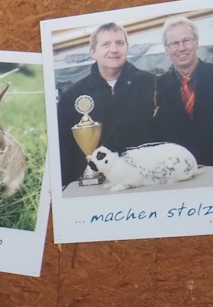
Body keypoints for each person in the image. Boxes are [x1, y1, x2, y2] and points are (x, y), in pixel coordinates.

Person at [56, 21, 158, 188]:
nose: (114, 49)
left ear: (127, 47)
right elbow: (64, 149)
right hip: (94, 186)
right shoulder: (72, 96)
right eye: (106, 44)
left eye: (120, 43)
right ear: (93, 52)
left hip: (146, 181)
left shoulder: (152, 84)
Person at [150, 16, 213, 170]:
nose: (181, 48)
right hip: (177, 174)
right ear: (166, 50)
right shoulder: (156, 87)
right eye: (174, 43)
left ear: (196, 43)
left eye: (187, 40)